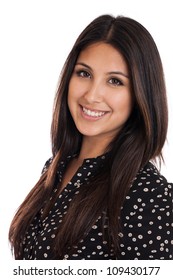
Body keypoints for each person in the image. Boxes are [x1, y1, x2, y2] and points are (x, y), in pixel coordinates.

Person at [9, 14, 173, 260]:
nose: (93, 95)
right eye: (84, 74)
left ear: (141, 94)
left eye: (115, 81)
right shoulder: (56, 167)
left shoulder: (151, 197)